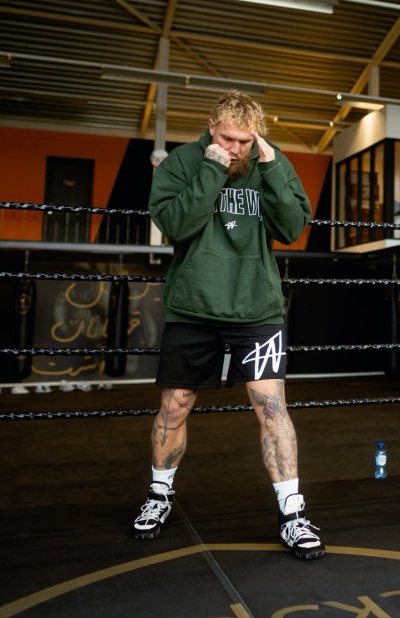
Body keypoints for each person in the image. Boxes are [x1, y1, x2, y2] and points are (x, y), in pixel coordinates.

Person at [131, 90, 324, 560]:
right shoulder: (182, 162)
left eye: (243, 140)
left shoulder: (269, 163)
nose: (234, 148)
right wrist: (212, 168)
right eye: (226, 138)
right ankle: (159, 495)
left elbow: (292, 226)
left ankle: (292, 513)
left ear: (255, 135)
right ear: (210, 128)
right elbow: (175, 224)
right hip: (193, 306)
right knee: (174, 406)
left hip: (256, 308)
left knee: (272, 408)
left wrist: (274, 168)